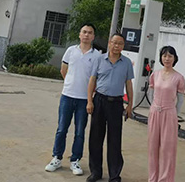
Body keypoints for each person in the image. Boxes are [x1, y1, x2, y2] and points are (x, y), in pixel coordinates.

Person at [46, 24, 100, 176]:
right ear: (79, 34)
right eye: (84, 32)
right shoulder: (71, 50)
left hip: (84, 99)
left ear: (93, 36)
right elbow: (63, 70)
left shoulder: (97, 56)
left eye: (90, 33)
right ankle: (57, 158)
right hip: (67, 96)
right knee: (61, 129)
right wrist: (70, 83)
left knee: (80, 131)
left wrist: (90, 98)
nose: (86, 35)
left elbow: (95, 79)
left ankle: (75, 160)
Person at [86, 34, 134, 182]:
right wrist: (89, 101)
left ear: (123, 46)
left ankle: (114, 175)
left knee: (114, 140)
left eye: (120, 43)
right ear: (109, 43)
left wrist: (130, 105)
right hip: (99, 100)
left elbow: (128, 84)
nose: (116, 46)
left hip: (116, 103)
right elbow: (92, 80)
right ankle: (95, 172)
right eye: (114, 43)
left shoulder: (126, 63)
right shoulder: (99, 59)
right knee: (95, 138)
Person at [147, 46, 185, 182]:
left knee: (167, 149)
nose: (167, 59)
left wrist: (175, 114)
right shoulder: (155, 75)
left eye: (170, 56)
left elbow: (180, 100)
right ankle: (153, 178)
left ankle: (165, 179)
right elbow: (151, 93)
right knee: (153, 147)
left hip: (169, 114)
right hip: (154, 112)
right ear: (161, 58)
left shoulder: (179, 77)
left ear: (175, 58)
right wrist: (153, 107)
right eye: (164, 56)